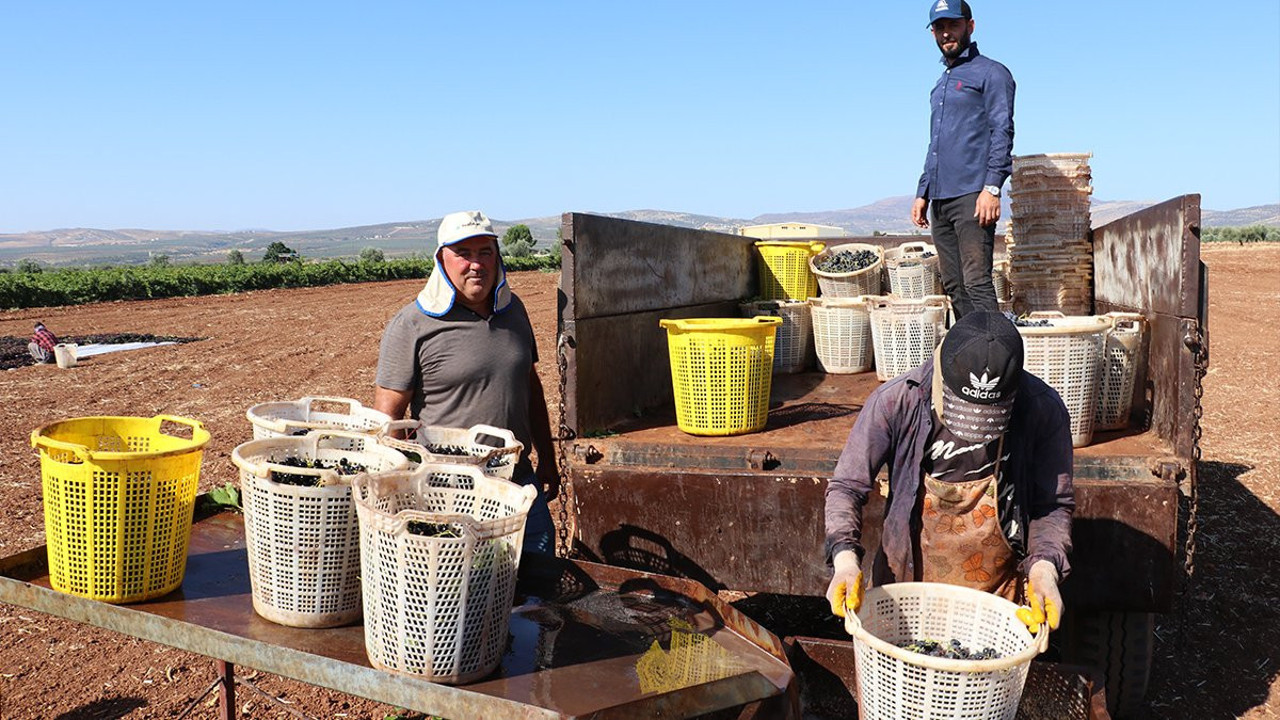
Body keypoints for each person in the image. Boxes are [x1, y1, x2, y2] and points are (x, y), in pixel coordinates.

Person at [824, 312, 1072, 634]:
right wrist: (844, 560)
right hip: (903, 592)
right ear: (942, 376)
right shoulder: (897, 401)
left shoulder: (1042, 409)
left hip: (995, 599)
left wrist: (1044, 568)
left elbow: (1051, 505)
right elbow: (846, 487)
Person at [374, 210, 559, 554]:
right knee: (462, 590)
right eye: (464, 254)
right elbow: (389, 418)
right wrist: (405, 489)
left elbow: (531, 388)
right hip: (448, 489)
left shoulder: (513, 310)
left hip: (517, 478)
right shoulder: (413, 325)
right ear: (442, 260)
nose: (476, 264)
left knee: (537, 577)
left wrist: (547, 458)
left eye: (485, 252)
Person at [910, 0, 1015, 319]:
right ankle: (971, 357)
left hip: (973, 194)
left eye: (952, 25)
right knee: (954, 283)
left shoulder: (992, 73)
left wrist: (992, 187)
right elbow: (937, 143)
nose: (946, 33)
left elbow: (1003, 130)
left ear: (969, 26)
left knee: (977, 282)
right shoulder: (940, 84)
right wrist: (922, 191)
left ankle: (995, 360)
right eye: (939, 27)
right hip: (940, 198)